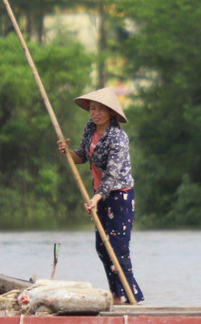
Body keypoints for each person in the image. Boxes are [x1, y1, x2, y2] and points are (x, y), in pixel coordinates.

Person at [56, 87, 144, 303]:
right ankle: (116, 295)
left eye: (100, 110)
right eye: (92, 109)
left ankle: (132, 298)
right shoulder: (90, 128)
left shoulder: (118, 138)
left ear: (111, 113)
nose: (95, 114)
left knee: (117, 248)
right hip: (100, 195)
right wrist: (68, 153)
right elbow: (82, 157)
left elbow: (112, 175)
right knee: (102, 247)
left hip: (119, 196)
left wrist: (95, 199)